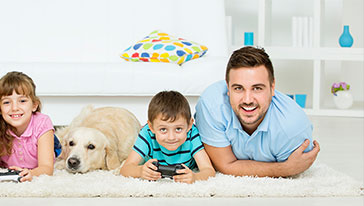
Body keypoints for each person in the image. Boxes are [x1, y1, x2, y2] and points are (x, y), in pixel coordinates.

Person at [194, 46, 320, 177]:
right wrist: (283, 169)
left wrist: (291, 168)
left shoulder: (292, 128)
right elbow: (224, 165)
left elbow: (297, 168)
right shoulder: (212, 104)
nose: (247, 100)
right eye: (238, 88)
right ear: (228, 87)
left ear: (272, 88)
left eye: (257, 88)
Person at [0, 71, 56, 183]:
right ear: (0, 108)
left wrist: (31, 173)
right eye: (7, 102)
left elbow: (47, 168)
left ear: (34, 105)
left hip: (43, 148)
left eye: (22, 101)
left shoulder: (42, 123)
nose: (14, 108)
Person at [120, 90, 215, 183]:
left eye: (178, 129)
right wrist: (140, 171)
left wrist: (195, 177)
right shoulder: (147, 133)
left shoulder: (191, 133)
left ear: (189, 125)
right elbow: (125, 169)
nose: (171, 137)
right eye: (163, 129)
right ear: (151, 126)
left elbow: (208, 170)